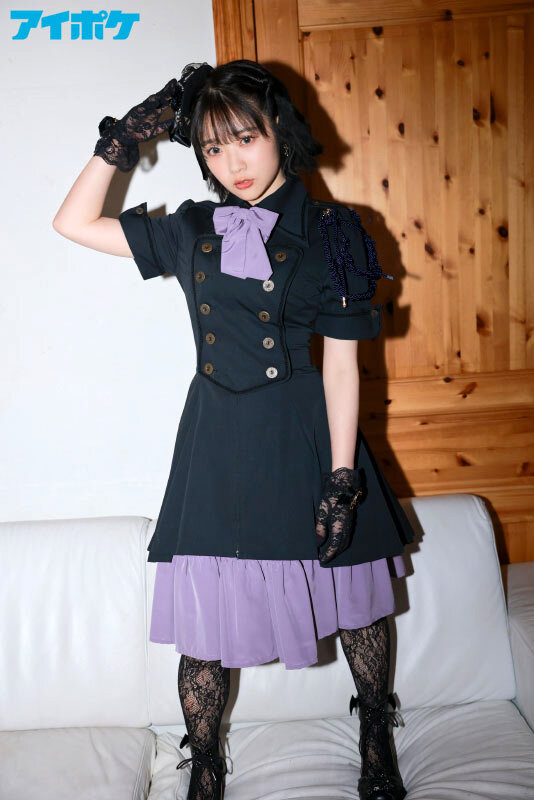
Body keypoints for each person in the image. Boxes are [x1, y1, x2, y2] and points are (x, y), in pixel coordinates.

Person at [52, 59, 414, 800]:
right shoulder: (193, 228)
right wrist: (121, 140)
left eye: (246, 138)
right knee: (204, 624)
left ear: (279, 129)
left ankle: (376, 735)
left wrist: (342, 476)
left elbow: (342, 366)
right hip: (216, 440)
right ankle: (207, 765)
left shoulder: (334, 232)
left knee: (355, 602)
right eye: (213, 147)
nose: (232, 163)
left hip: (306, 434)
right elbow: (72, 223)